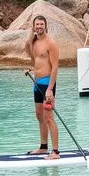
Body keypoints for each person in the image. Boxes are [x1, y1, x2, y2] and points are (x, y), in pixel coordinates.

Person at [25, 15, 61, 159]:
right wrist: (30, 69)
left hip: (47, 84)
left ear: (45, 26)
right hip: (37, 83)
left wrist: (50, 89)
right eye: (37, 24)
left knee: (48, 117)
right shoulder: (34, 42)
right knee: (39, 115)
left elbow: (55, 67)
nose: (39, 26)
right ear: (34, 26)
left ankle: (56, 152)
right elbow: (30, 53)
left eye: (41, 24)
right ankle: (43, 147)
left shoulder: (50, 43)